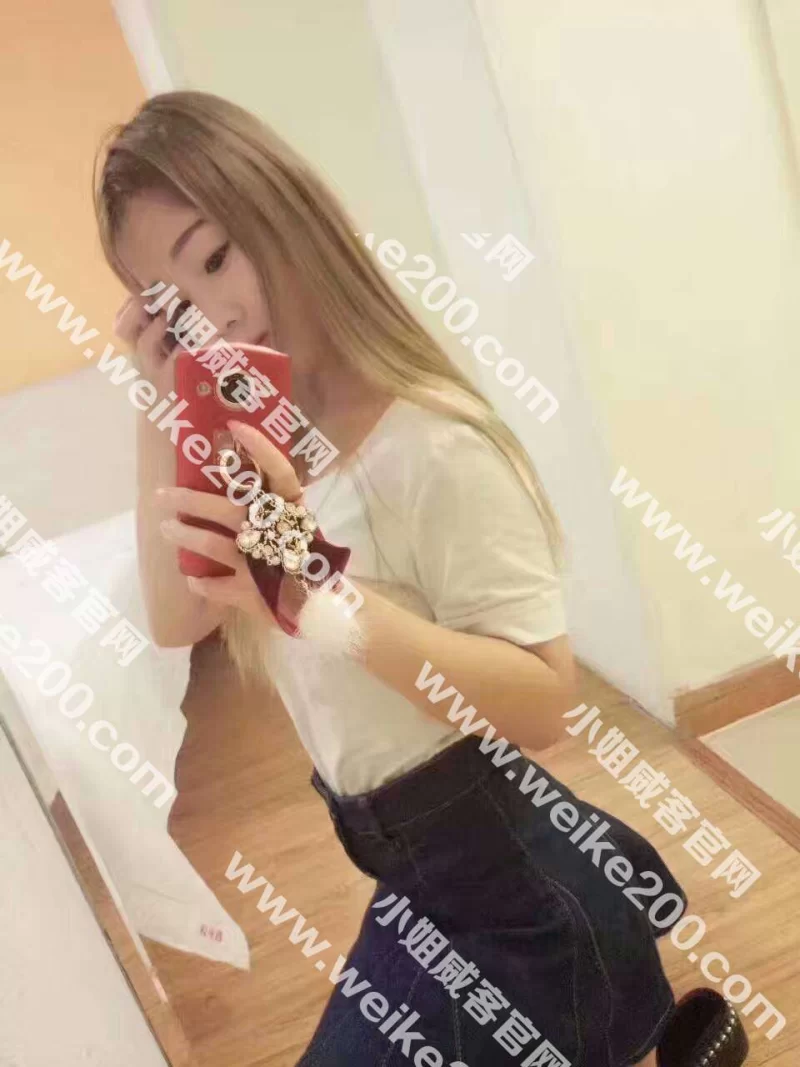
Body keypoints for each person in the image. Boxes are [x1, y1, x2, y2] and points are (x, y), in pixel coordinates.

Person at [94, 90, 747, 1067]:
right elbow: (174, 618)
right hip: (415, 876)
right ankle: (633, 990)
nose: (212, 316)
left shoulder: (432, 443)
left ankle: (612, 977)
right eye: (171, 301)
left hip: (500, 891)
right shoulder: (265, 443)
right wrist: (159, 401)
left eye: (217, 257)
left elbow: (543, 697)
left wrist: (315, 595)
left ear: (288, 215)